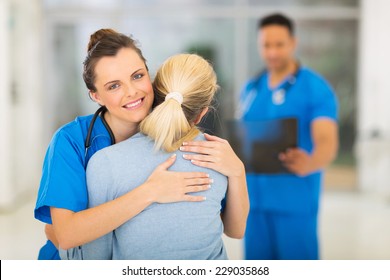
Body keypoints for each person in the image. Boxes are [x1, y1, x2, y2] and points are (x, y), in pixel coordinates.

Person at [34, 29, 246, 260]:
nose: (132, 92)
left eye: (137, 76)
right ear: (95, 96)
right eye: (114, 86)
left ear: (150, 75)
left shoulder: (175, 123)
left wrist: (237, 171)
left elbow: (230, 227)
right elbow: (65, 235)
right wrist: (150, 191)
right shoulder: (71, 140)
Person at [238, 13, 338, 260]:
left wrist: (312, 162)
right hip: (254, 205)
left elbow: (327, 140)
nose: (272, 52)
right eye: (266, 45)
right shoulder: (251, 89)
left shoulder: (315, 88)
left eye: (279, 44)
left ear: (293, 43)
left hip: (294, 203)